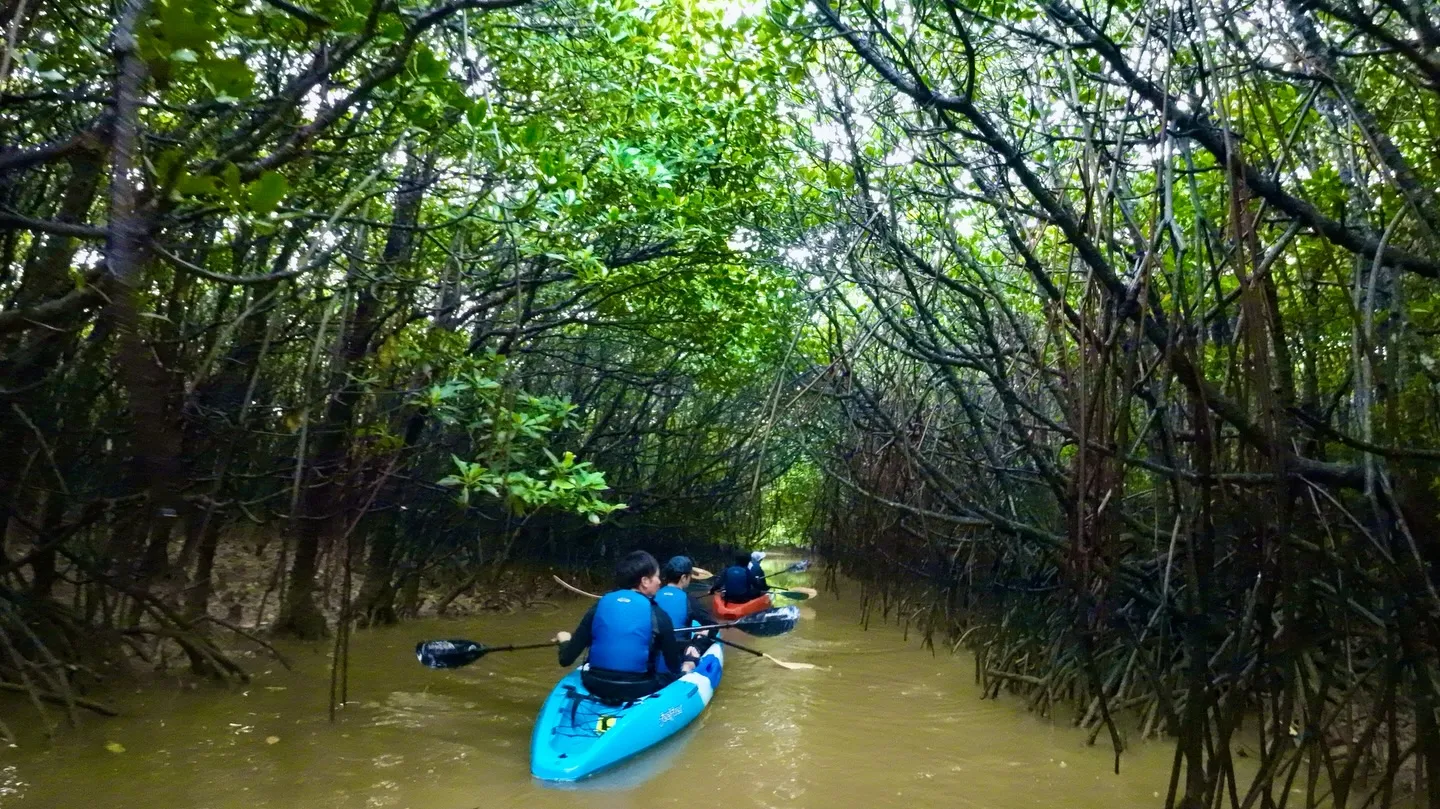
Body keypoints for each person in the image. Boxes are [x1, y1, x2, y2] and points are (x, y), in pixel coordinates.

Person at [553, 551, 686, 703]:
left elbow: (566, 659)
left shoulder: (599, 606)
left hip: (595, 685)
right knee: (675, 673)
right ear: (645, 581)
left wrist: (564, 639)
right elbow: (673, 666)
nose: (659, 582)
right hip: (638, 688)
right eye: (656, 576)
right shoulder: (658, 614)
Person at [655, 556, 718, 673]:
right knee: (702, 635)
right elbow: (712, 626)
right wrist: (698, 641)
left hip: (654, 657)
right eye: (689, 577)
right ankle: (689, 662)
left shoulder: (652, 596)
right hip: (677, 656)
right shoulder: (689, 600)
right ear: (684, 578)